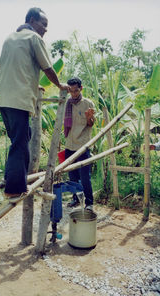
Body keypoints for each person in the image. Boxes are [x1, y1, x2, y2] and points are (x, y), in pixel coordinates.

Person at [0, 7, 68, 198]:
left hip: (3, 99)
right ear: (32, 20)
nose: (45, 29)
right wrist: (60, 85)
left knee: (20, 138)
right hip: (18, 101)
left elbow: (17, 70)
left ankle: (10, 179)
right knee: (20, 143)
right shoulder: (34, 38)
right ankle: (14, 188)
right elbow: (48, 68)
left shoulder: (10, 38)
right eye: (43, 24)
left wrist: (35, 87)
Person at [64, 77, 95, 211]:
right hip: (69, 145)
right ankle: (75, 199)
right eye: (71, 91)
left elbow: (91, 124)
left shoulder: (87, 103)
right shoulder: (67, 104)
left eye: (76, 91)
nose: (74, 94)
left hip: (83, 146)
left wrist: (89, 118)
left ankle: (89, 203)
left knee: (84, 176)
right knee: (72, 175)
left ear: (81, 89)